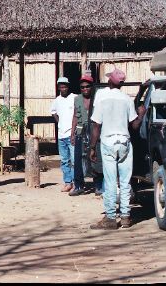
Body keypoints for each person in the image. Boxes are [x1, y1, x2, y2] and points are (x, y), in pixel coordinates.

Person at [89, 68, 146, 230]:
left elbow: (96, 126)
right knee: (125, 181)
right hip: (125, 143)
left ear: (109, 81)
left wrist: (92, 148)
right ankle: (126, 217)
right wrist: (141, 114)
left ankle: (110, 218)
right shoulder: (127, 99)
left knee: (110, 181)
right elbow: (134, 125)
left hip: (108, 142)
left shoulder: (102, 97)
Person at [69, 74, 103, 196]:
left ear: (92, 86)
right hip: (80, 131)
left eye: (87, 86)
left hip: (94, 131)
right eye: (82, 87)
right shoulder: (77, 99)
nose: (85, 89)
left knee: (95, 158)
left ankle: (98, 186)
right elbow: (74, 116)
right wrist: (72, 133)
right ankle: (78, 186)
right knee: (78, 159)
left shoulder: (98, 97)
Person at [50, 76, 77, 192]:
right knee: (64, 160)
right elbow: (53, 112)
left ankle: (77, 183)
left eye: (65, 86)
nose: (63, 88)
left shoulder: (75, 98)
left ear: (68, 86)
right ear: (59, 88)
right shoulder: (57, 100)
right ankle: (67, 182)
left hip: (72, 134)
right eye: (61, 86)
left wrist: (74, 131)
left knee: (74, 160)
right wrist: (59, 122)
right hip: (61, 135)